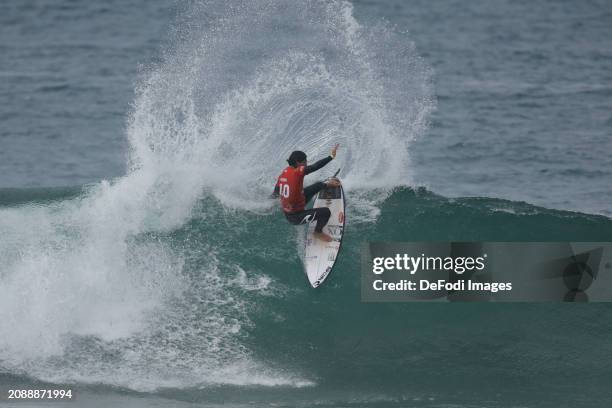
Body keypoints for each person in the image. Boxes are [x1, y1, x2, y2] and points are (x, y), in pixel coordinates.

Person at [272, 144, 341, 242]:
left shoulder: (285, 172)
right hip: (295, 216)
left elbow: (276, 191)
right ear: (298, 162)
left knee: (318, 185)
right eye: (305, 161)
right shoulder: (298, 172)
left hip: (297, 204)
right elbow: (315, 167)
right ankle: (318, 232)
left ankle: (327, 184)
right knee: (325, 212)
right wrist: (331, 157)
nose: (306, 163)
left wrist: (267, 203)